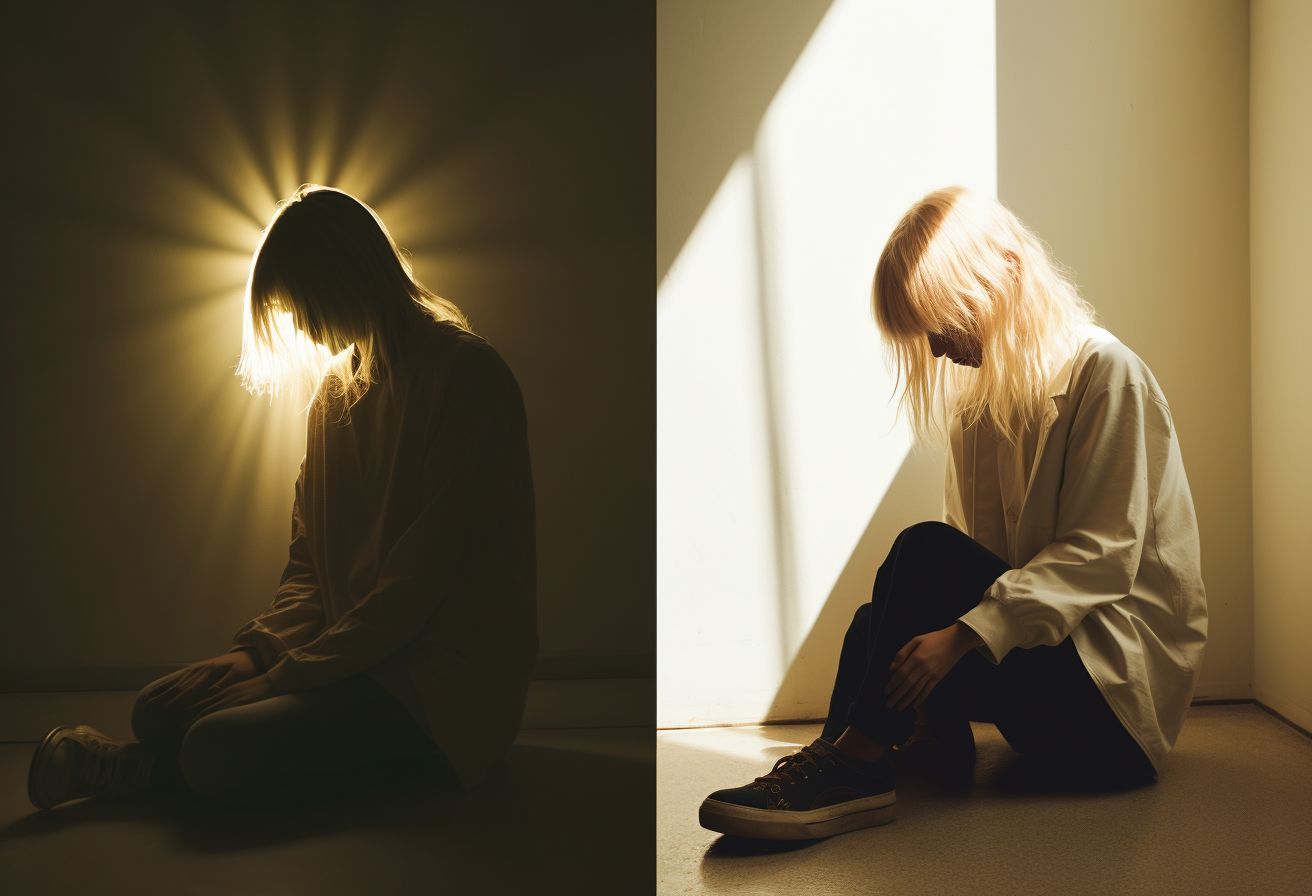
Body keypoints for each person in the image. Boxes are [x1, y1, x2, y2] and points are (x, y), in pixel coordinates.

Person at [698, 185, 1208, 841]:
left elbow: (1101, 558)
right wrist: (955, 633)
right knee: (873, 621)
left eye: (941, 323)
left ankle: (852, 766)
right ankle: (860, 755)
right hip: (1049, 692)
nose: (936, 349)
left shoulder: (1105, 373)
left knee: (926, 550)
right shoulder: (981, 410)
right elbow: (969, 577)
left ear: (1005, 277)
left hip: (1112, 721)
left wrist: (966, 634)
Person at [27, 185, 536, 810]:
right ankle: (161, 765)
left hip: (437, 684)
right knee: (159, 710)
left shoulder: (467, 377)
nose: (304, 326)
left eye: (303, 304)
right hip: (358, 655)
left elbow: (414, 591)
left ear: (345, 274)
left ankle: (138, 778)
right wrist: (257, 653)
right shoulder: (333, 397)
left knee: (214, 746)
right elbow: (310, 569)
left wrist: (283, 678)